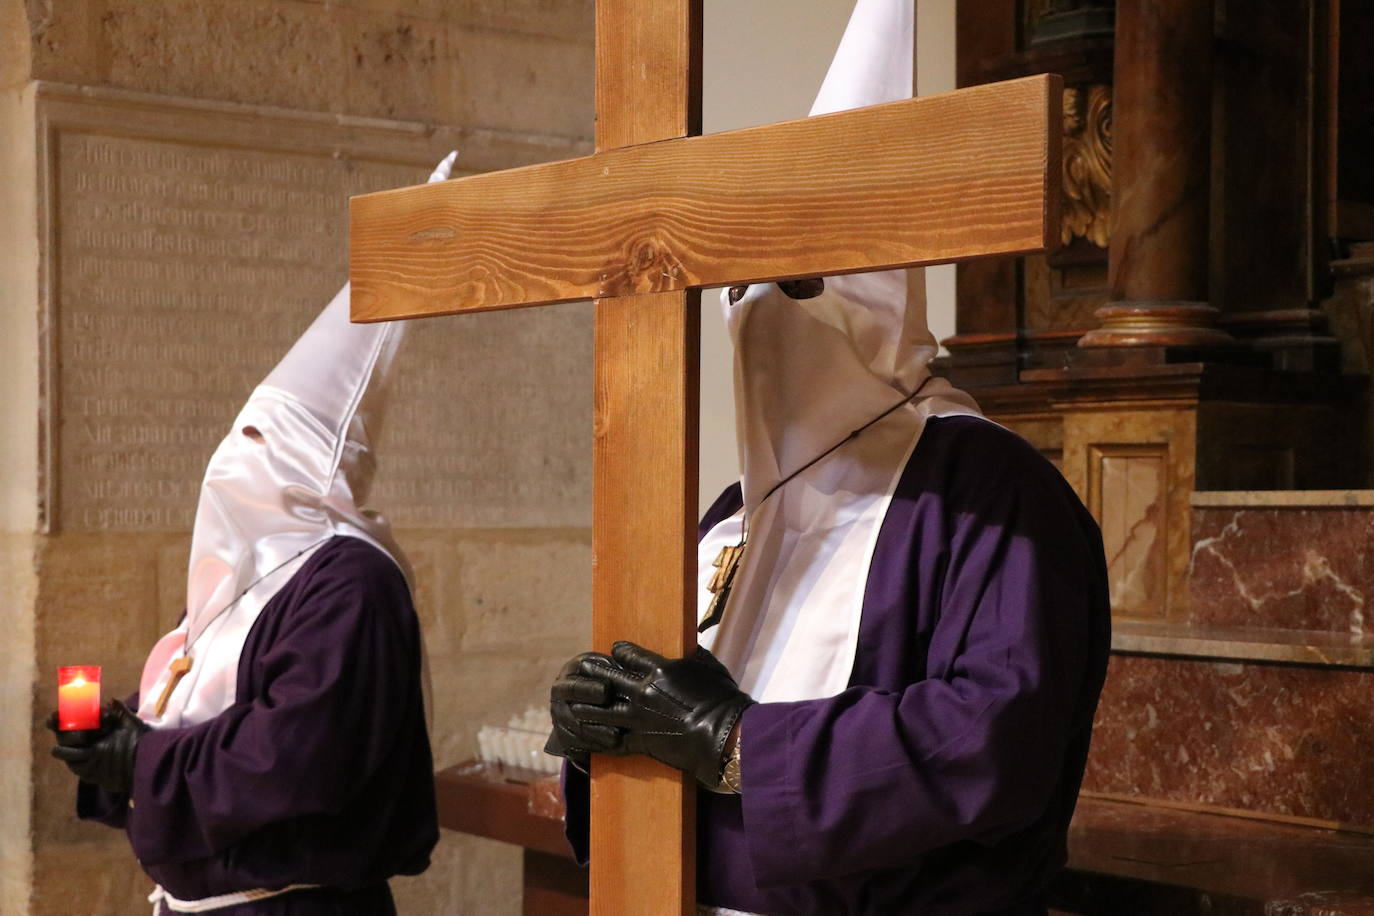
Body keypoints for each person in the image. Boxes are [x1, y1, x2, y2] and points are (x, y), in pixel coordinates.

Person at [544, 3, 1111, 913]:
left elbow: (996, 740)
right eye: (741, 285)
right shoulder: (737, 510)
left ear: (877, 294)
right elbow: (670, 708)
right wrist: (602, 728)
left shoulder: (993, 492)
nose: (758, 307)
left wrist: (739, 742)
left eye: (797, 285)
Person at [47, 153, 458, 915]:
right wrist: (116, 744)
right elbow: (195, 705)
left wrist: (146, 759)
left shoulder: (350, 584)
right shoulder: (253, 571)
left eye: (262, 440)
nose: (235, 457)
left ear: (313, 463)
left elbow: (301, 756)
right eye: (242, 434)